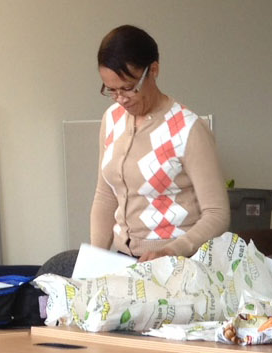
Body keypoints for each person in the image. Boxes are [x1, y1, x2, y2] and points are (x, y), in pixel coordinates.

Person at [90, 25, 228, 262]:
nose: (121, 99)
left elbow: (217, 214)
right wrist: (95, 261)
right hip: (124, 259)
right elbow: (105, 196)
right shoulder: (112, 119)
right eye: (111, 90)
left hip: (177, 261)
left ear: (153, 70)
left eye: (129, 88)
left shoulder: (188, 128)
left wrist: (170, 251)